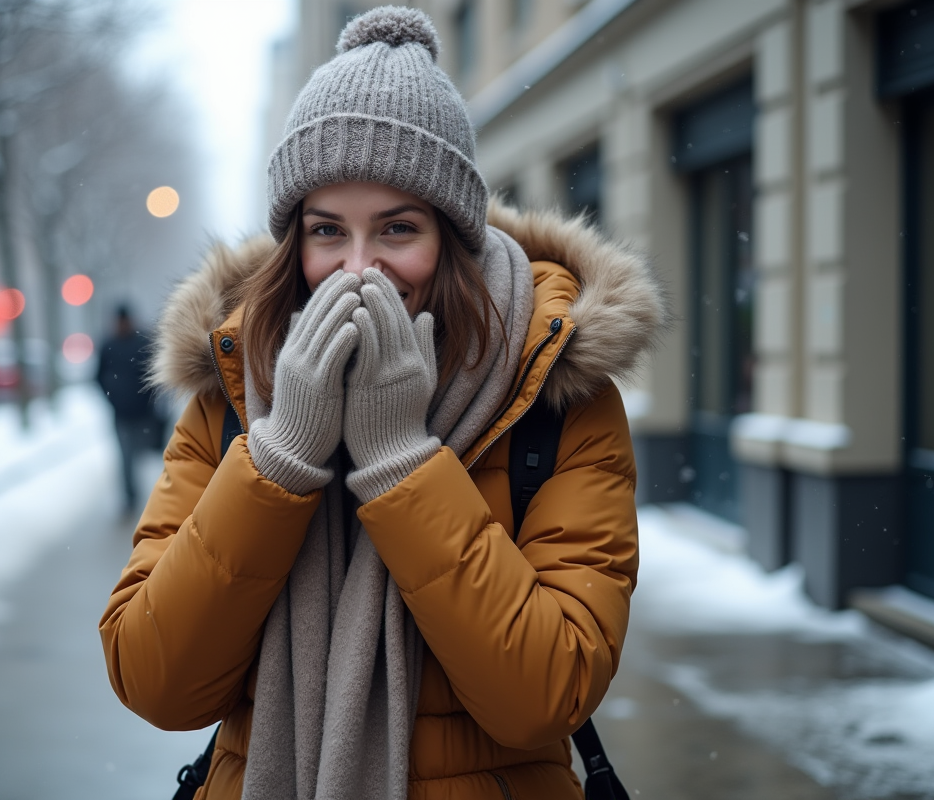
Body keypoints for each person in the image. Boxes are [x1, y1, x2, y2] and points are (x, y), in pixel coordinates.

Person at [100, 8, 664, 799]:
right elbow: (155, 679)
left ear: (452, 237)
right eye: (328, 231)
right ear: (295, 241)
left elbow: (544, 696)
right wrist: (280, 457)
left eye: (397, 228)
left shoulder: (553, 391)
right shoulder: (232, 388)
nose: (358, 270)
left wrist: (403, 465)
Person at [96, 305, 158, 515]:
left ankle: (148, 494)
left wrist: (151, 401)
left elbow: (155, 374)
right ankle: (130, 497)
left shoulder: (143, 342)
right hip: (121, 414)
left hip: (143, 413)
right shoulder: (108, 345)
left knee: (142, 453)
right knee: (125, 457)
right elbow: (98, 376)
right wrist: (111, 398)